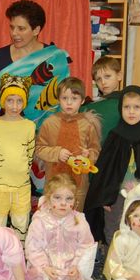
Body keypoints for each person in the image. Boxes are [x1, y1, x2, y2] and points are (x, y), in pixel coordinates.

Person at [84, 85, 140, 247]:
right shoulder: (115, 136)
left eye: (136, 107)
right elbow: (105, 172)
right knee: (113, 228)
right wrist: (105, 197)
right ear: (120, 108)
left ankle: (139, 257)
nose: (131, 112)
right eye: (126, 107)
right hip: (116, 196)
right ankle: (112, 257)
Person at [0, 0, 71, 134]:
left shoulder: (54, 59)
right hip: (4, 133)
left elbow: (66, 99)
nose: (14, 33)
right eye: (12, 27)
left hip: (45, 137)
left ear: (36, 30)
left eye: (21, 28)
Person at [25, 174, 96, 280]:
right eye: (57, 197)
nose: (63, 203)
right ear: (48, 198)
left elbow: (86, 247)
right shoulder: (40, 221)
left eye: (69, 198)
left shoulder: (80, 222)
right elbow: (33, 248)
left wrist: (77, 267)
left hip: (70, 272)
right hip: (46, 271)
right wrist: (44, 267)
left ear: (75, 200)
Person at [35, 77, 101, 212]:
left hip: (78, 186)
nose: (69, 102)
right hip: (53, 184)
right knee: (51, 218)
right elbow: (39, 148)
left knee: (75, 219)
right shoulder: (49, 123)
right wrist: (57, 153)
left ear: (82, 100)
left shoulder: (88, 125)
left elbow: (96, 149)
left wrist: (88, 156)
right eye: (64, 98)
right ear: (59, 99)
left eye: (74, 98)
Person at [0, 73, 35, 239]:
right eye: (10, 100)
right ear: (2, 101)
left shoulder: (29, 126)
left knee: (21, 225)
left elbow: (29, 155)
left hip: (21, 186)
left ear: (25, 102)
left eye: (19, 101)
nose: (15, 106)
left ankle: (19, 253)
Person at [81, 56, 123, 145]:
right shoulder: (89, 104)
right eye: (98, 79)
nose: (103, 82)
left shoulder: (125, 103)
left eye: (107, 76)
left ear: (119, 76)